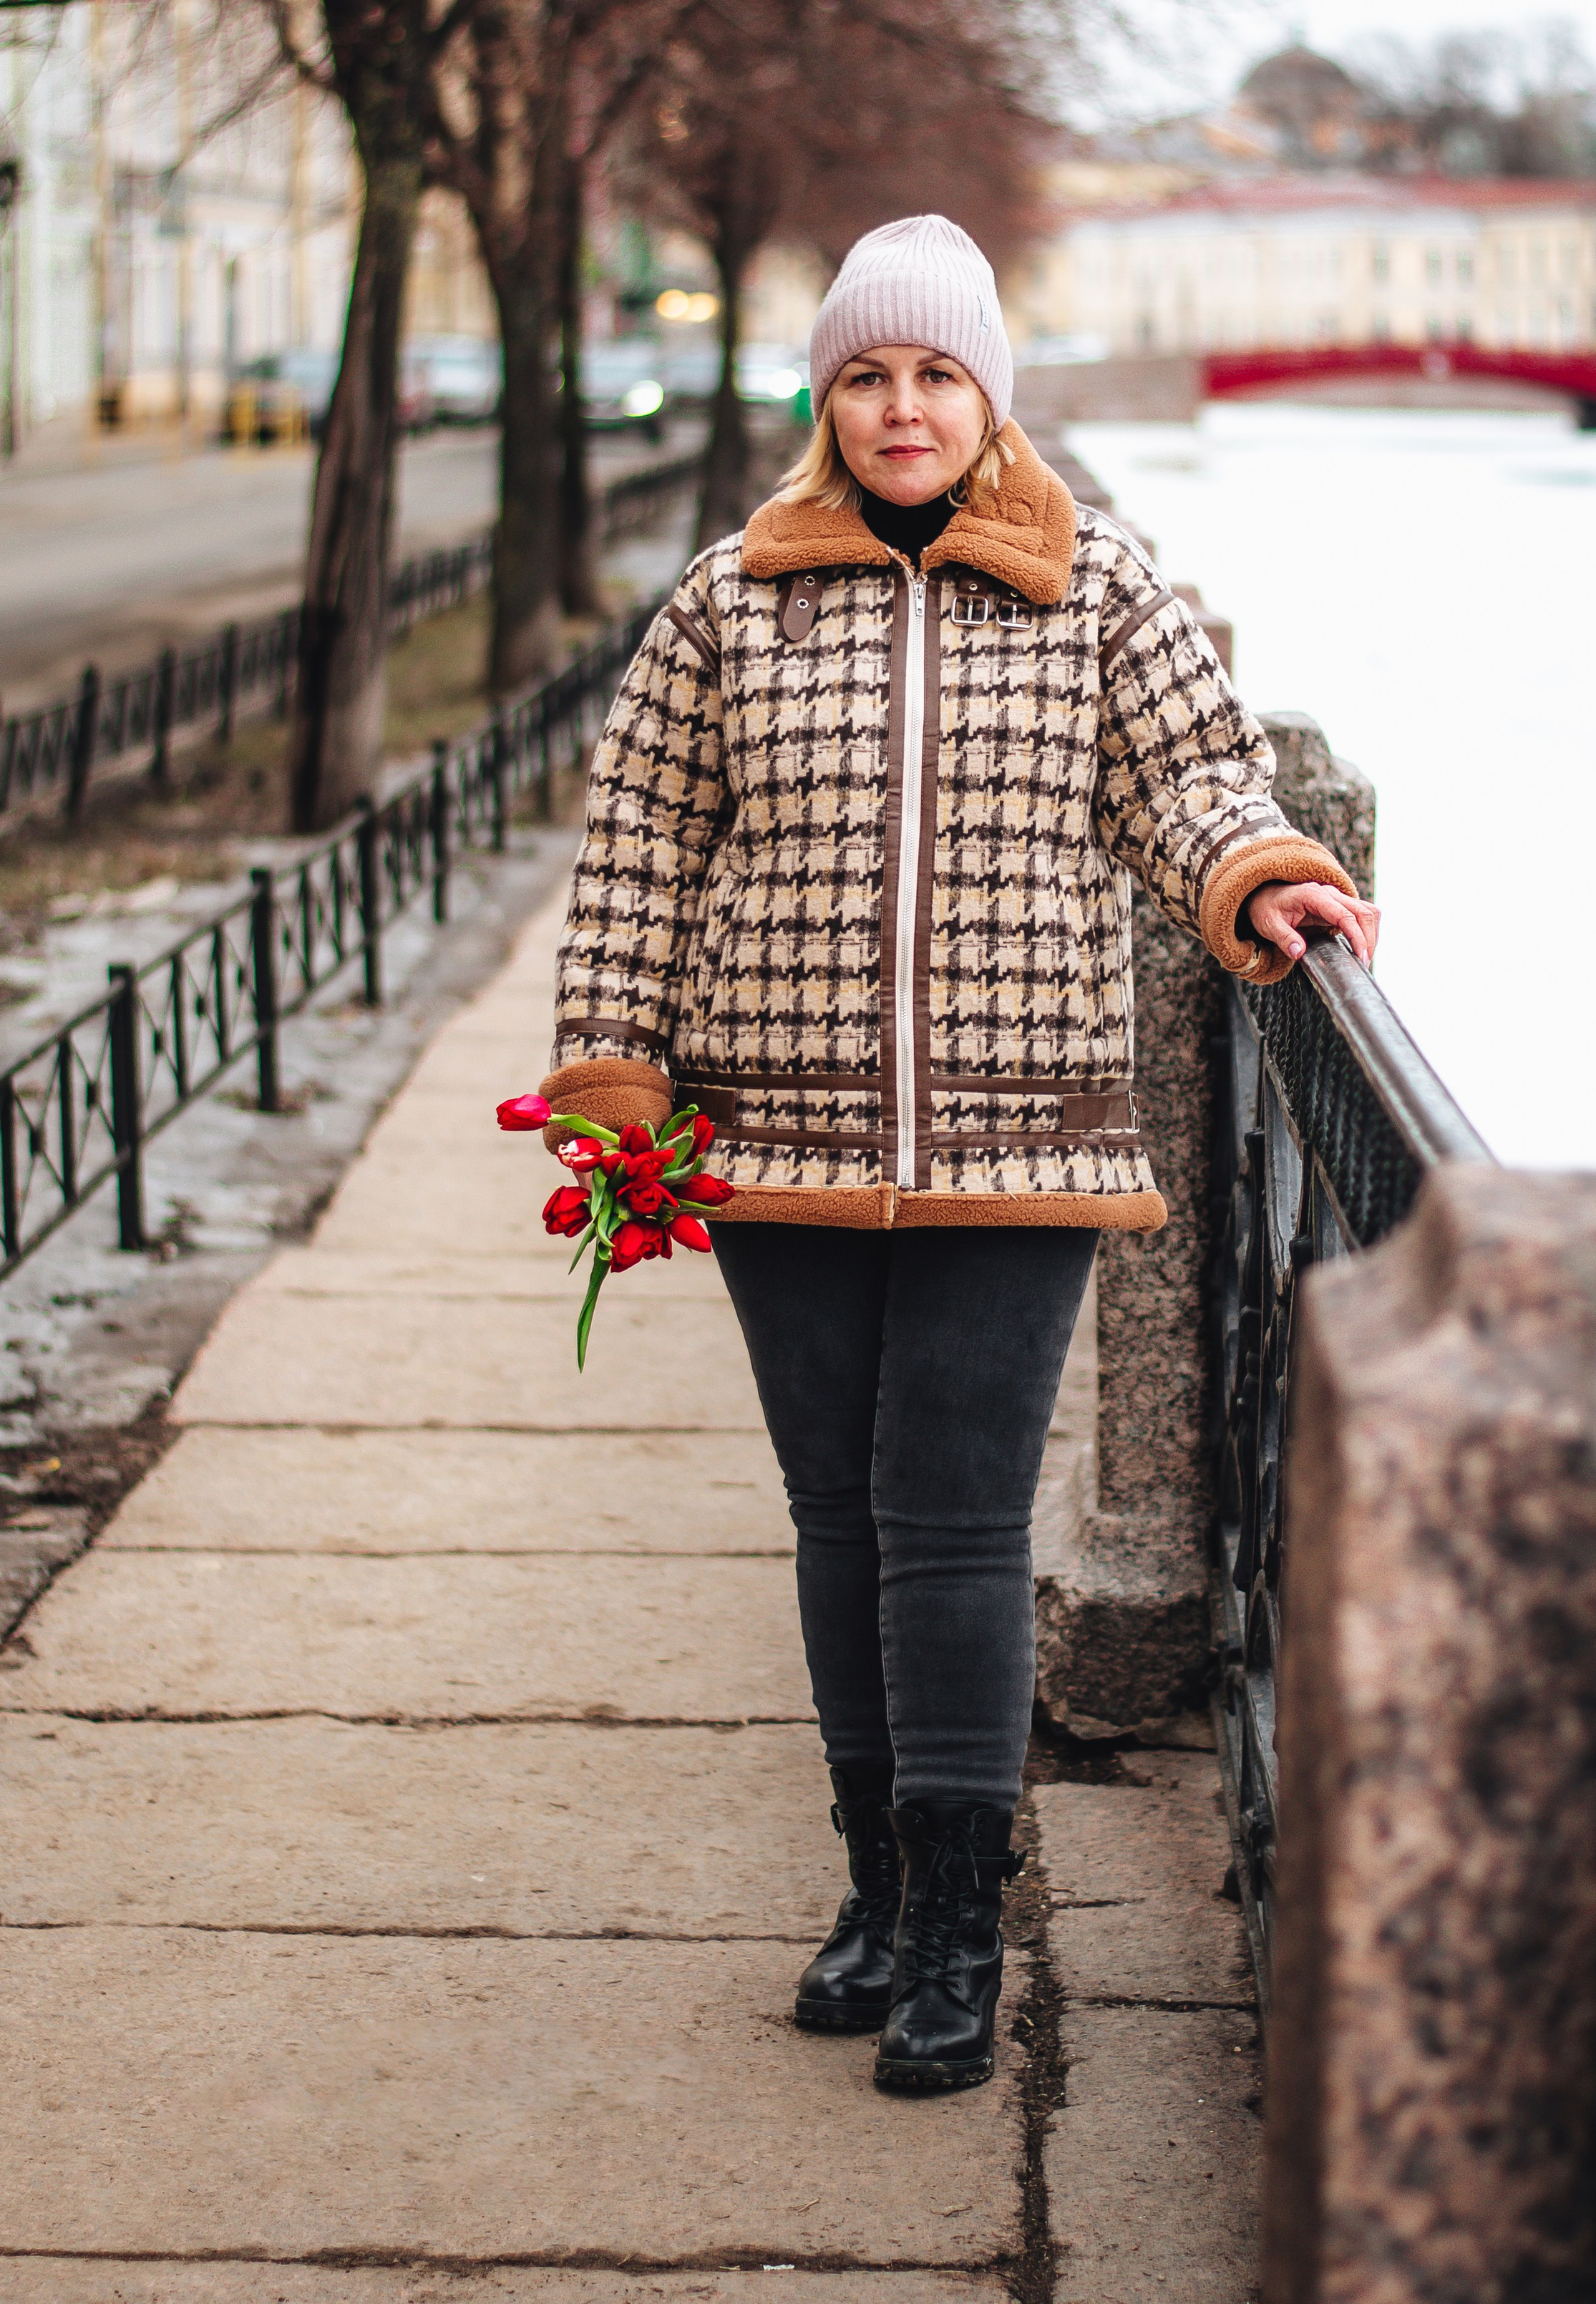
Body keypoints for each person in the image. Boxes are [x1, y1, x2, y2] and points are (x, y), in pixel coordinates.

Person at [542, 215, 1378, 2095]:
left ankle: (956, 1929)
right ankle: (868, 1886)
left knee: (954, 1517)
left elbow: (1194, 780)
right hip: (780, 1138)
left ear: (985, 393)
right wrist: (613, 1072)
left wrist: (1265, 875)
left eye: (934, 374)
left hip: (1027, 1135)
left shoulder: (1098, 586)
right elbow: (639, 859)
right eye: (865, 374)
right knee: (836, 1510)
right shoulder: (728, 601)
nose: (901, 408)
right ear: (823, 398)